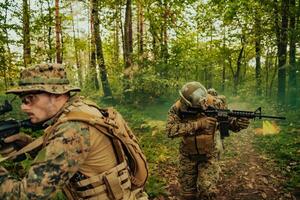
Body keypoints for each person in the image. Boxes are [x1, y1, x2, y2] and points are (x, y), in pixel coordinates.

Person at [0, 63, 148, 200]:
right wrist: (27, 144)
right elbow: (69, 157)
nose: (23, 107)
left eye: (30, 99)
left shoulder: (73, 129)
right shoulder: (82, 109)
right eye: (23, 100)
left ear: (56, 94)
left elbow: (26, 195)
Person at [166, 81, 249, 200]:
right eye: (199, 102)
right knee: (187, 194)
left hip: (209, 155)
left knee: (207, 192)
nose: (204, 103)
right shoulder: (178, 108)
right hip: (187, 156)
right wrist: (198, 124)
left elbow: (229, 123)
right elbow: (170, 131)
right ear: (188, 102)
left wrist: (238, 123)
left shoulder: (216, 103)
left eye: (204, 99)